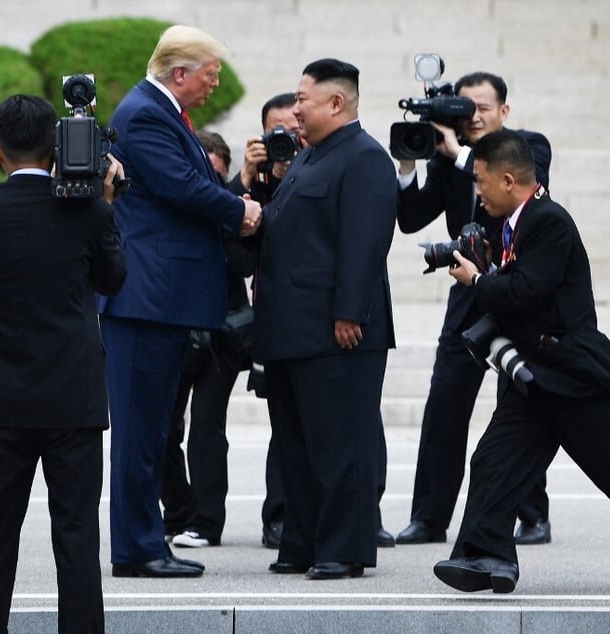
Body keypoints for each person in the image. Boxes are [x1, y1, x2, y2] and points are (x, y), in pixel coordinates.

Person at [434, 128, 610, 594]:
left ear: (508, 180)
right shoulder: (513, 224)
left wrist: (478, 281)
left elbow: (526, 291)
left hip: (572, 376)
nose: (477, 193)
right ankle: (488, 557)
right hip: (533, 377)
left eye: (480, 182)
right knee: (492, 460)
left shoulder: (549, 221)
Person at [0, 94, 126, 632]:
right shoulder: (90, 212)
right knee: (76, 534)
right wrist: (104, 201)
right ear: (57, 148)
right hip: (72, 395)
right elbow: (112, 281)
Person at [97, 24, 262, 579]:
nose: (215, 84)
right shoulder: (146, 113)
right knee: (142, 431)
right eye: (211, 75)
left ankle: (145, 542)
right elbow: (181, 186)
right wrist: (238, 209)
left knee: (151, 430)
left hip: (160, 297)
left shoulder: (160, 111)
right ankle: (137, 547)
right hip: (148, 296)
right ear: (180, 73)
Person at [228, 92, 396, 549]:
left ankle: (343, 550)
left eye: (304, 99)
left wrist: (349, 312)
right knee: (296, 445)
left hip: (335, 332)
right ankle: (301, 543)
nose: (296, 111)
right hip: (290, 331)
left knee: (340, 446)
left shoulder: (364, 157)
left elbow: (365, 243)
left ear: (337, 102)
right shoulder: (307, 160)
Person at [394, 71, 555, 547]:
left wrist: (462, 155)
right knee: (445, 400)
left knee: (521, 403)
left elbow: (521, 197)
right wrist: (407, 165)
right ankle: (429, 517)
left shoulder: (528, 148)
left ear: (504, 111)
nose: (475, 116)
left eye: (483, 108)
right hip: (468, 291)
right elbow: (410, 219)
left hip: (519, 289)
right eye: (466, 108)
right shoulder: (447, 159)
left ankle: (533, 514)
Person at [162, 130, 256, 548]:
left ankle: (205, 521)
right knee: (163, 427)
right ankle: (179, 510)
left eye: (215, 176)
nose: (207, 186)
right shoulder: (172, 208)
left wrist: (223, 212)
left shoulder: (233, 211)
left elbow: (244, 264)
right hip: (177, 331)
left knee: (206, 424)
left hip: (225, 334)